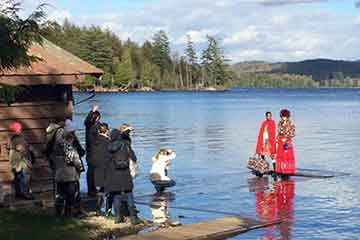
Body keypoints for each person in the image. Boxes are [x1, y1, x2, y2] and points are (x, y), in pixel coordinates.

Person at [104, 124, 141, 225]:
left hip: (114, 174)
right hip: (124, 173)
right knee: (129, 194)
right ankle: (134, 217)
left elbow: (106, 161)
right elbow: (134, 158)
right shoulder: (125, 144)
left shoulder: (108, 146)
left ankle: (118, 217)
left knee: (116, 195)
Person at [51, 123, 83, 217]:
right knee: (70, 196)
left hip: (59, 175)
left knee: (60, 195)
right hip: (70, 176)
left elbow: (52, 159)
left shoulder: (56, 148)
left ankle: (58, 213)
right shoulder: (70, 149)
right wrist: (80, 170)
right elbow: (77, 163)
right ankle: (68, 214)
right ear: (71, 139)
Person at [64, 119, 86, 216]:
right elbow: (80, 153)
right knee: (74, 189)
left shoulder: (61, 142)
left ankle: (68, 210)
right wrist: (80, 168)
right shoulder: (72, 143)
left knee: (66, 190)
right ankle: (76, 210)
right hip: (72, 171)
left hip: (62, 170)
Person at [8, 122, 35, 200]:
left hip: (15, 163)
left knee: (17, 177)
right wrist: (28, 162)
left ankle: (18, 193)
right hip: (21, 162)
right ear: (19, 130)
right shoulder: (19, 139)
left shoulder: (11, 138)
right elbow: (22, 151)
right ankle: (25, 194)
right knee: (24, 178)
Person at [92, 123, 110, 215]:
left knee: (99, 191)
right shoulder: (108, 142)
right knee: (107, 192)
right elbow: (110, 157)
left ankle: (98, 210)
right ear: (107, 130)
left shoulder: (94, 142)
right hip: (106, 169)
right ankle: (107, 211)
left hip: (97, 169)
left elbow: (92, 157)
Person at [84, 105, 101, 196]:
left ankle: (97, 187)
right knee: (91, 171)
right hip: (91, 151)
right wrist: (92, 111)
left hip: (97, 151)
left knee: (96, 171)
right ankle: (91, 190)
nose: (98, 119)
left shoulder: (98, 126)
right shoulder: (89, 126)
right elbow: (86, 121)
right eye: (97, 118)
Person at [275, 109, 296, 179]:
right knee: (280, 155)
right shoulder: (280, 123)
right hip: (280, 140)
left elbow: (293, 133)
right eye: (282, 116)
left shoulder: (290, 123)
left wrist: (286, 137)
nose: (283, 118)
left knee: (286, 155)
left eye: (285, 116)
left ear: (287, 116)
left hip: (287, 141)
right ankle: (280, 170)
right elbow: (278, 132)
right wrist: (277, 139)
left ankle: (287, 171)